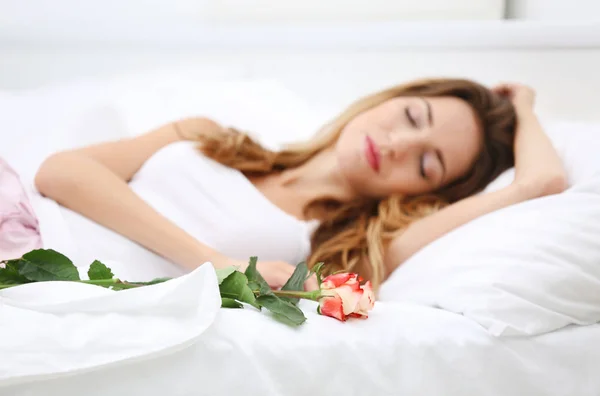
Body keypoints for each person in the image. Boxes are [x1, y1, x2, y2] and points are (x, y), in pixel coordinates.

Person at [32, 78, 566, 292]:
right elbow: (59, 172)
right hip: (27, 219)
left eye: (428, 163)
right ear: (387, 99)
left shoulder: (328, 250)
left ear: (427, 194)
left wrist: (521, 107)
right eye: (410, 115)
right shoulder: (209, 135)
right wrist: (213, 260)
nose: (400, 144)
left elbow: (540, 181)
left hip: (42, 278)